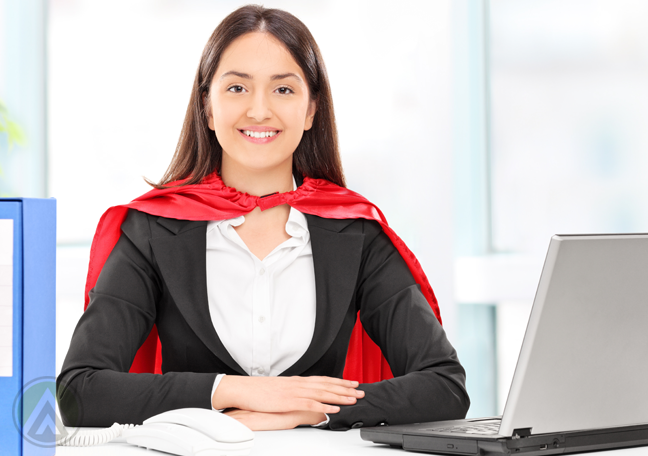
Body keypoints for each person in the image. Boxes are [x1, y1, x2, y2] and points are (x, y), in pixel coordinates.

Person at [56, 5, 469, 431]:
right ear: (208, 107)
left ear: (311, 110)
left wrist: (314, 410)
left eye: (283, 90)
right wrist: (236, 391)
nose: (258, 111)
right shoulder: (152, 230)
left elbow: (445, 387)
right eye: (236, 88)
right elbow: (80, 391)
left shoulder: (355, 231)